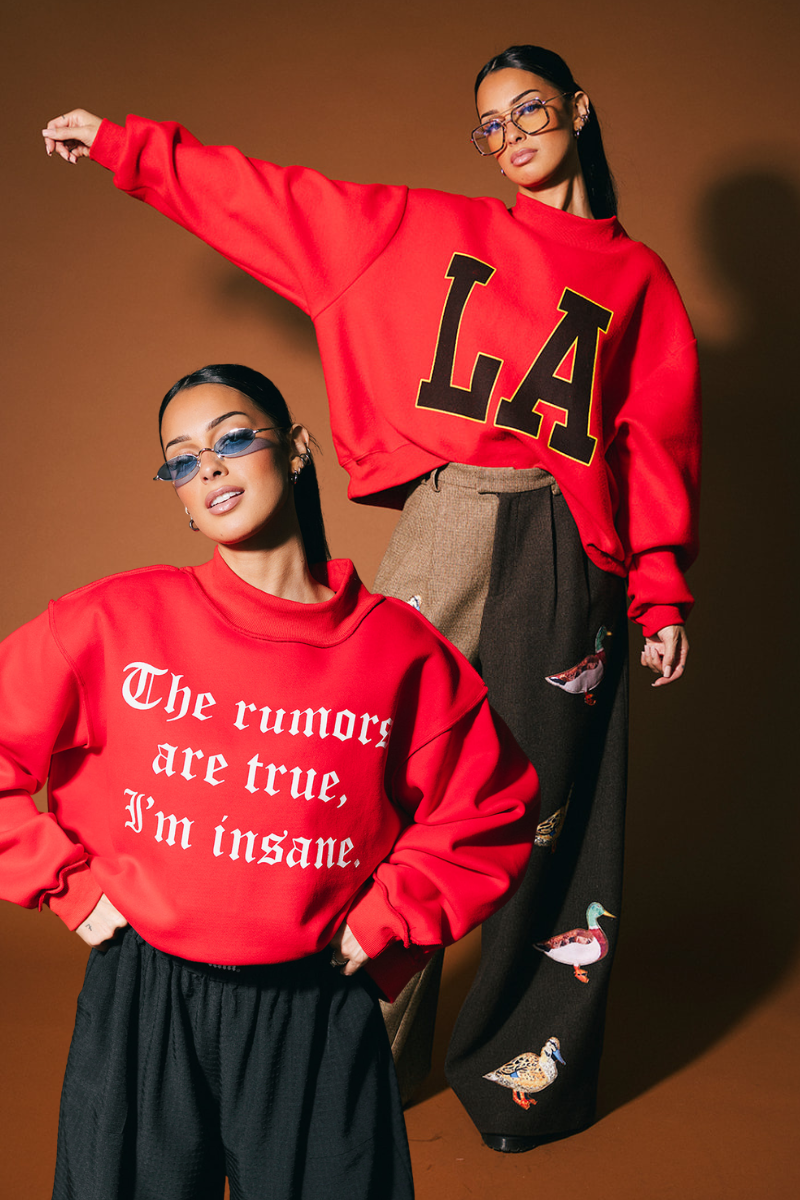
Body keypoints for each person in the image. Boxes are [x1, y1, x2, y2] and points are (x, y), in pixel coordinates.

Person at [41, 43, 701, 1151]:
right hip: (456, 511)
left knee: (545, 816)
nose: (512, 137)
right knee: (364, 775)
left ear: (578, 112)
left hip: (573, 552)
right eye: (488, 126)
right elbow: (276, 205)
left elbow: (653, 439)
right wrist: (127, 147)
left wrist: (661, 593)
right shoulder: (436, 232)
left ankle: (517, 1071)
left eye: (528, 111)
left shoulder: (637, 281)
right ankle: (355, 1055)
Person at [0, 362, 539, 1199]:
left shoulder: (399, 652)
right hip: (147, 999)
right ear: (178, 493)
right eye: (181, 459)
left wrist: (388, 920)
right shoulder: (112, 622)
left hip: (315, 1008)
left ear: (295, 450)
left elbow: (494, 807)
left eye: (231, 438)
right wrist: (61, 883)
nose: (207, 467)